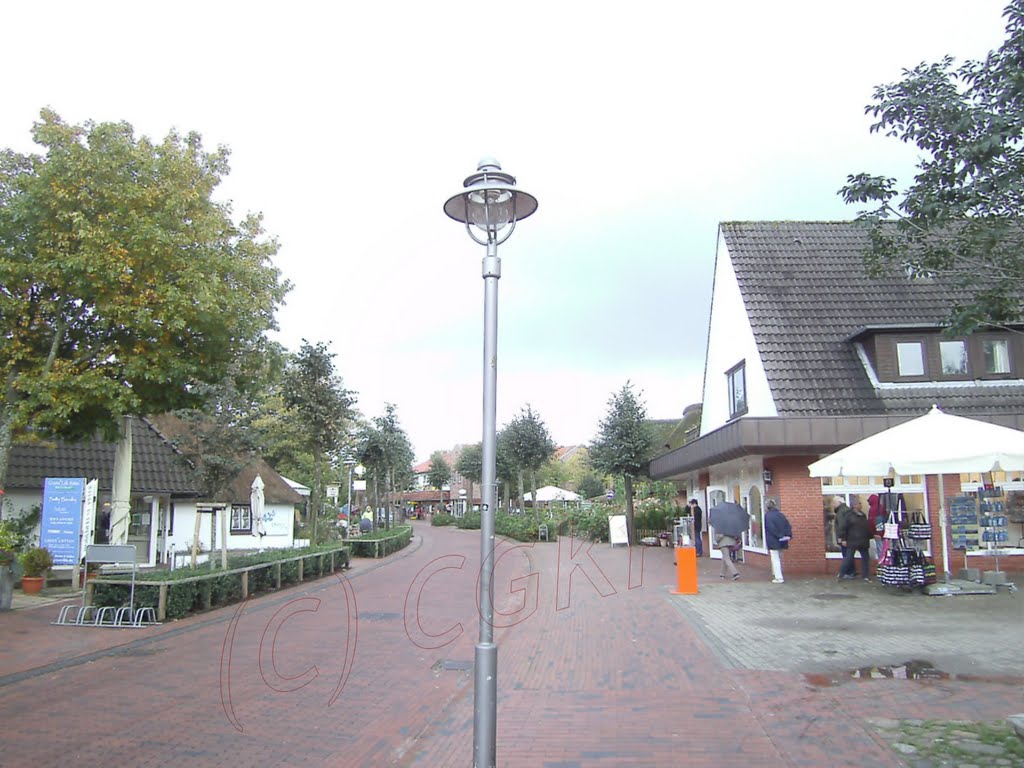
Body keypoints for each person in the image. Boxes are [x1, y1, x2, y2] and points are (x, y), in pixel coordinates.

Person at [838, 498, 872, 581]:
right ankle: (841, 574)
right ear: (854, 505)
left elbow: (866, 527)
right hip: (852, 540)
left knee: (865, 559)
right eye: (859, 503)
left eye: (860, 503)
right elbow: (844, 527)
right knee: (848, 558)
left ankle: (865, 576)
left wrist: (870, 535)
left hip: (863, 540)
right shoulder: (849, 515)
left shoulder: (863, 515)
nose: (861, 505)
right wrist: (843, 538)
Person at [764, 498, 792, 584]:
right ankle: (778, 574)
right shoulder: (781, 515)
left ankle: (778, 577)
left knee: (775, 559)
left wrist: (778, 536)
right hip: (782, 540)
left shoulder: (768, 516)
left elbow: (771, 528)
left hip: (773, 540)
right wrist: (787, 535)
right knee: (779, 557)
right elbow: (788, 525)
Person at [832, 495, 851, 574]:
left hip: (844, 538)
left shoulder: (841, 511)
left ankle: (849, 572)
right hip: (848, 537)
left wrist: (842, 537)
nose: (833, 504)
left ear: (839, 502)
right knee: (848, 555)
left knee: (846, 555)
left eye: (834, 503)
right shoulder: (846, 510)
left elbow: (842, 525)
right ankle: (850, 572)